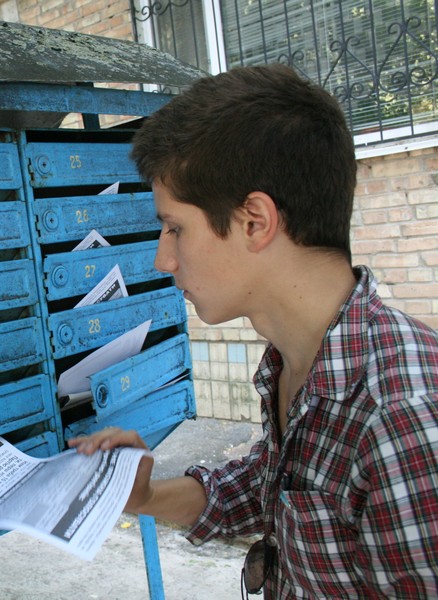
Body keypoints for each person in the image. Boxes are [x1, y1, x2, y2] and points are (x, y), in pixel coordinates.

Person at [68, 64, 438, 598]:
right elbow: (263, 490)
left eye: (175, 228)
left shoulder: (403, 420)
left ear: (255, 223)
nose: (162, 259)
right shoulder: (297, 362)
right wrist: (143, 496)